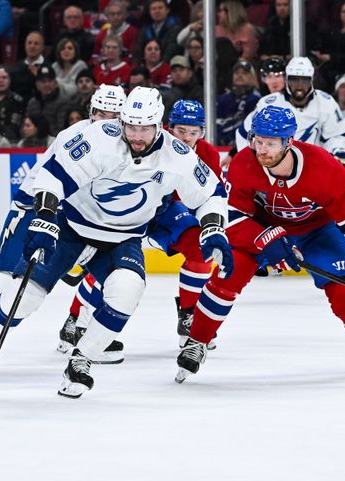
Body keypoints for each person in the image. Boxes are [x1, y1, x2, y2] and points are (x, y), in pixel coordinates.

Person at [0, 87, 232, 400]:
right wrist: (45, 215)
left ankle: (81, 360)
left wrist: (212, 228)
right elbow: (53, 174)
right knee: (27, 293)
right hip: (73, 226)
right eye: (131, 126)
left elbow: (211, 194)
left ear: (159, 126)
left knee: (128, 291)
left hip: (122, 239)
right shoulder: (100, 137)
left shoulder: (177, 155)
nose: (136, 136)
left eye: (144, 128)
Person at [176, 105, 345, 383]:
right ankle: (196, 341)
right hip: (262, 228)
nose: (262, 150)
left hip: (316, 231)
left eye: (270, 144)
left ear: (289, 142)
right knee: (226, 277)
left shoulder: (324, 167)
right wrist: (263, 237)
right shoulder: (245, 163)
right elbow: (231, 215)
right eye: (257, 141)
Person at [0, 85, 128, 372]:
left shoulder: (125, 145)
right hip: (33, 209)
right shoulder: (76, 136)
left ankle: (81, 329)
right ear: (91, 112)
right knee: (3, 278)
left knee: (112, 278)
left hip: (69, 220)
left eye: (113, 115)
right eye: (100, 113)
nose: (105, 120)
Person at [58, 99, 224, 353]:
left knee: (202, 249)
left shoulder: (207, 155)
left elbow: (209, 198)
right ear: (167, 128)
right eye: (181, 131)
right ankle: (76, 319)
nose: (187, 138)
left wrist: (213, 228)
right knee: (108, 263)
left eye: (194, 132)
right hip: (127, 217)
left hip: (165, 214)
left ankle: (189, 316)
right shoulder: (143, 145)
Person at [236, 57, 345, 170]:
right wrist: (253, 160)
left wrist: (337, 151)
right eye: (294, 79)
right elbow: (245, 133)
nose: (300, 85)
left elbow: (337, 134)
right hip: (275, 171)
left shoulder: (325, 102)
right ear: (287, 79)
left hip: (312, 170)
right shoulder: (269, 104)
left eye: (304, 80)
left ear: (311, 80)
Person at [216, 59, 260, 145]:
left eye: (244, 73)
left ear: (252, 77)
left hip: (245, 146)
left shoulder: (257, 100)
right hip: (220, 147)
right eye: (236, 73)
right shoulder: (223, 99)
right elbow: (216, 124)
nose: (239, 75)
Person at [25, 64, 73, 136]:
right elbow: (25, 125)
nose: (47, 84)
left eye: (49, 81)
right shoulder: (32, 103)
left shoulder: (64, 102)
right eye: (43, 81)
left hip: (54, 142)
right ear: (37, 85)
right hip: (32, 142)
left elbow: (62, 130)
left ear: (56, 83)